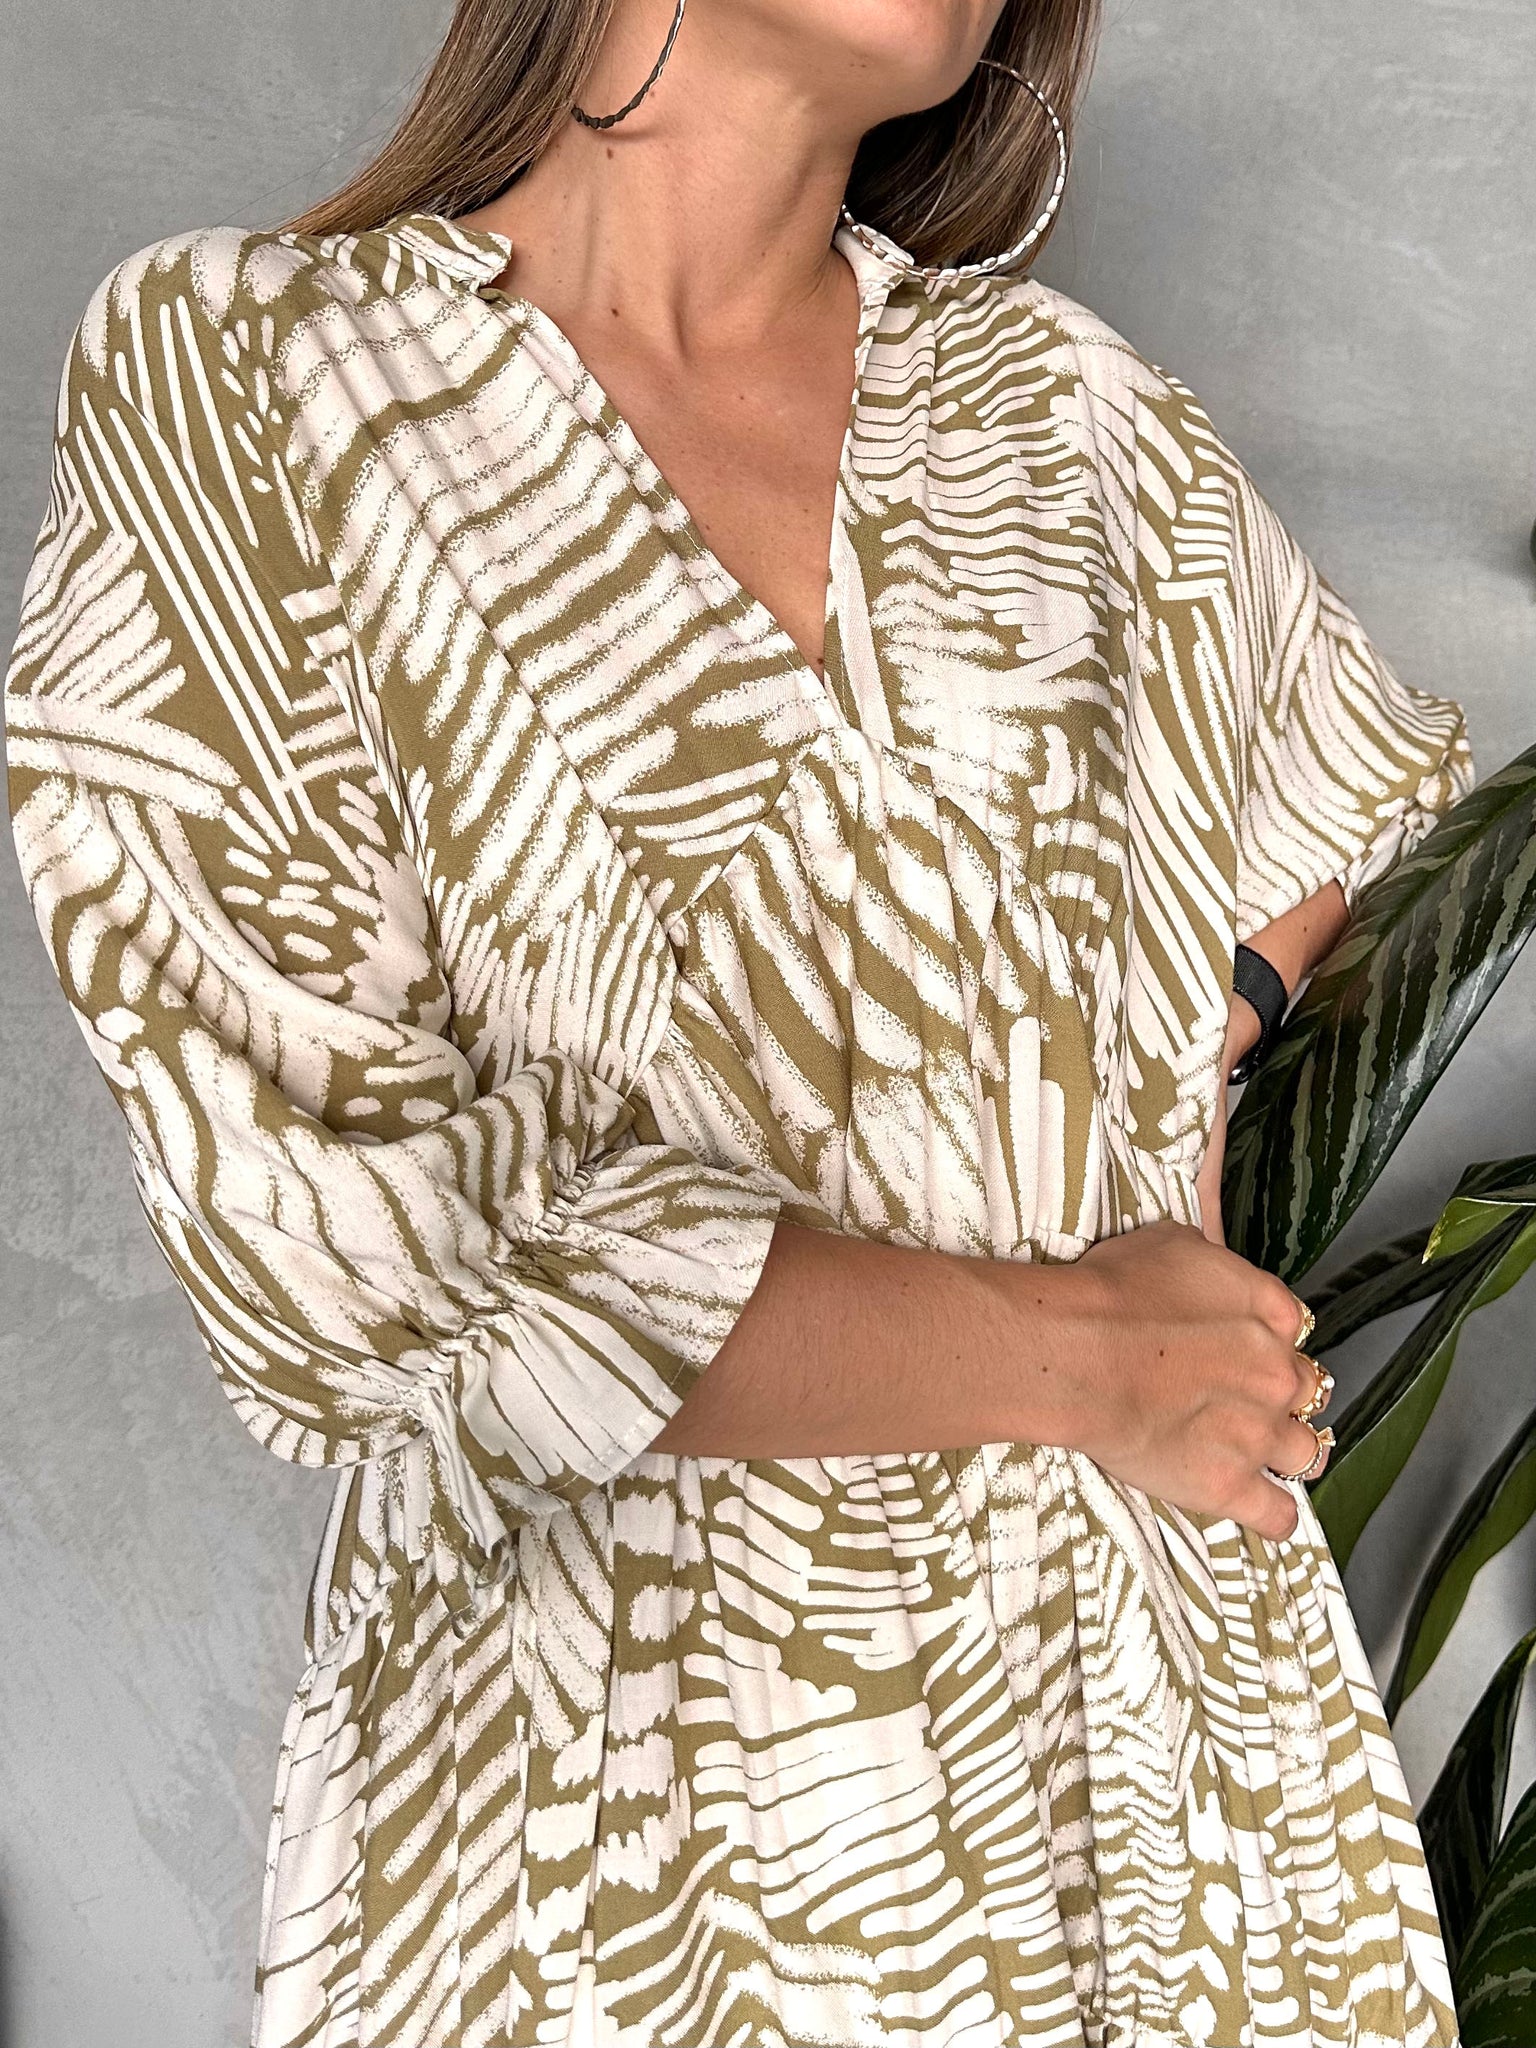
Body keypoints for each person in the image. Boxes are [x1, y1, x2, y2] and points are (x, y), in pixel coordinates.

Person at [3, 0, 1475, 2041]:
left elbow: (1331, 778)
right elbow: (351, 1260)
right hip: (612, 1830)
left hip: (1167, 1788)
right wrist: (1080, 1358)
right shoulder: (255, 378)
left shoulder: (1064, 415)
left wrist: (1191, 1038)